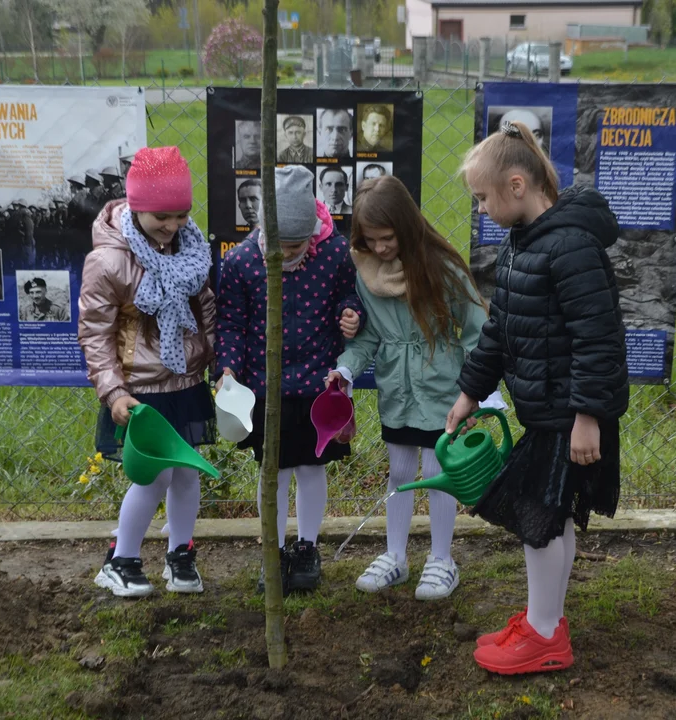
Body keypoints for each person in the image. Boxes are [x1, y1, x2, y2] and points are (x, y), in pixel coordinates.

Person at [448, 120, 628, 674]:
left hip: (569, 417)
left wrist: (588, 418)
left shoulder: (570, 248)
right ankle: (544, 619)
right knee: (553, 521)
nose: (480, 208)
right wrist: (469, 392)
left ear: (518, 185)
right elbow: (499, 329)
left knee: (538, 521)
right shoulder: (521, 245)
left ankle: (546, 635)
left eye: (482, 197)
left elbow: (597, 339)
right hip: (549, 413)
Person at [327, 175, 487, 601]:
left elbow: (476, 330)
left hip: (442, 388)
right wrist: (345, 369)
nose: (379, 248)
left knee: (438, 473)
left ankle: (441, 560)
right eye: (370, 239)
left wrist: (474, 390)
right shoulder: (365, 271)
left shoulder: (443, 267)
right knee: (399, 472)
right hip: (396, 389)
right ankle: (395, 555)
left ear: (407, 224)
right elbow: (367, 340)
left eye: (387, 237)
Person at [216, 166, 364, 595]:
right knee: (273, 471)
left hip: (318, 386)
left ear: (313, 231)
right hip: (266, 388)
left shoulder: (335, 254)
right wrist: (228, 368)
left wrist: (352, 313)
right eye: (278, 246)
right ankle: (274, 550)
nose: (286, 254)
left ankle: (307, 547)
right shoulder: (241, 262)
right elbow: (230, 324)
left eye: (296, 246)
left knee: (312, 467)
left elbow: (349, 296)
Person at [78, 146, 216, 599]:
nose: (173, 226)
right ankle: (123, 560)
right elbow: (96, 334)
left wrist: (220, 358)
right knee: (153, 476)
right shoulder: (108, 261)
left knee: (187, 473)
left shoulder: (193, 249)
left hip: (186, 382)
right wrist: (113, 391)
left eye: (182, 215)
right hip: (140, 389)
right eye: (162, 216)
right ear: (137, 206)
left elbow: (207, 309)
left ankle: (180, 555)